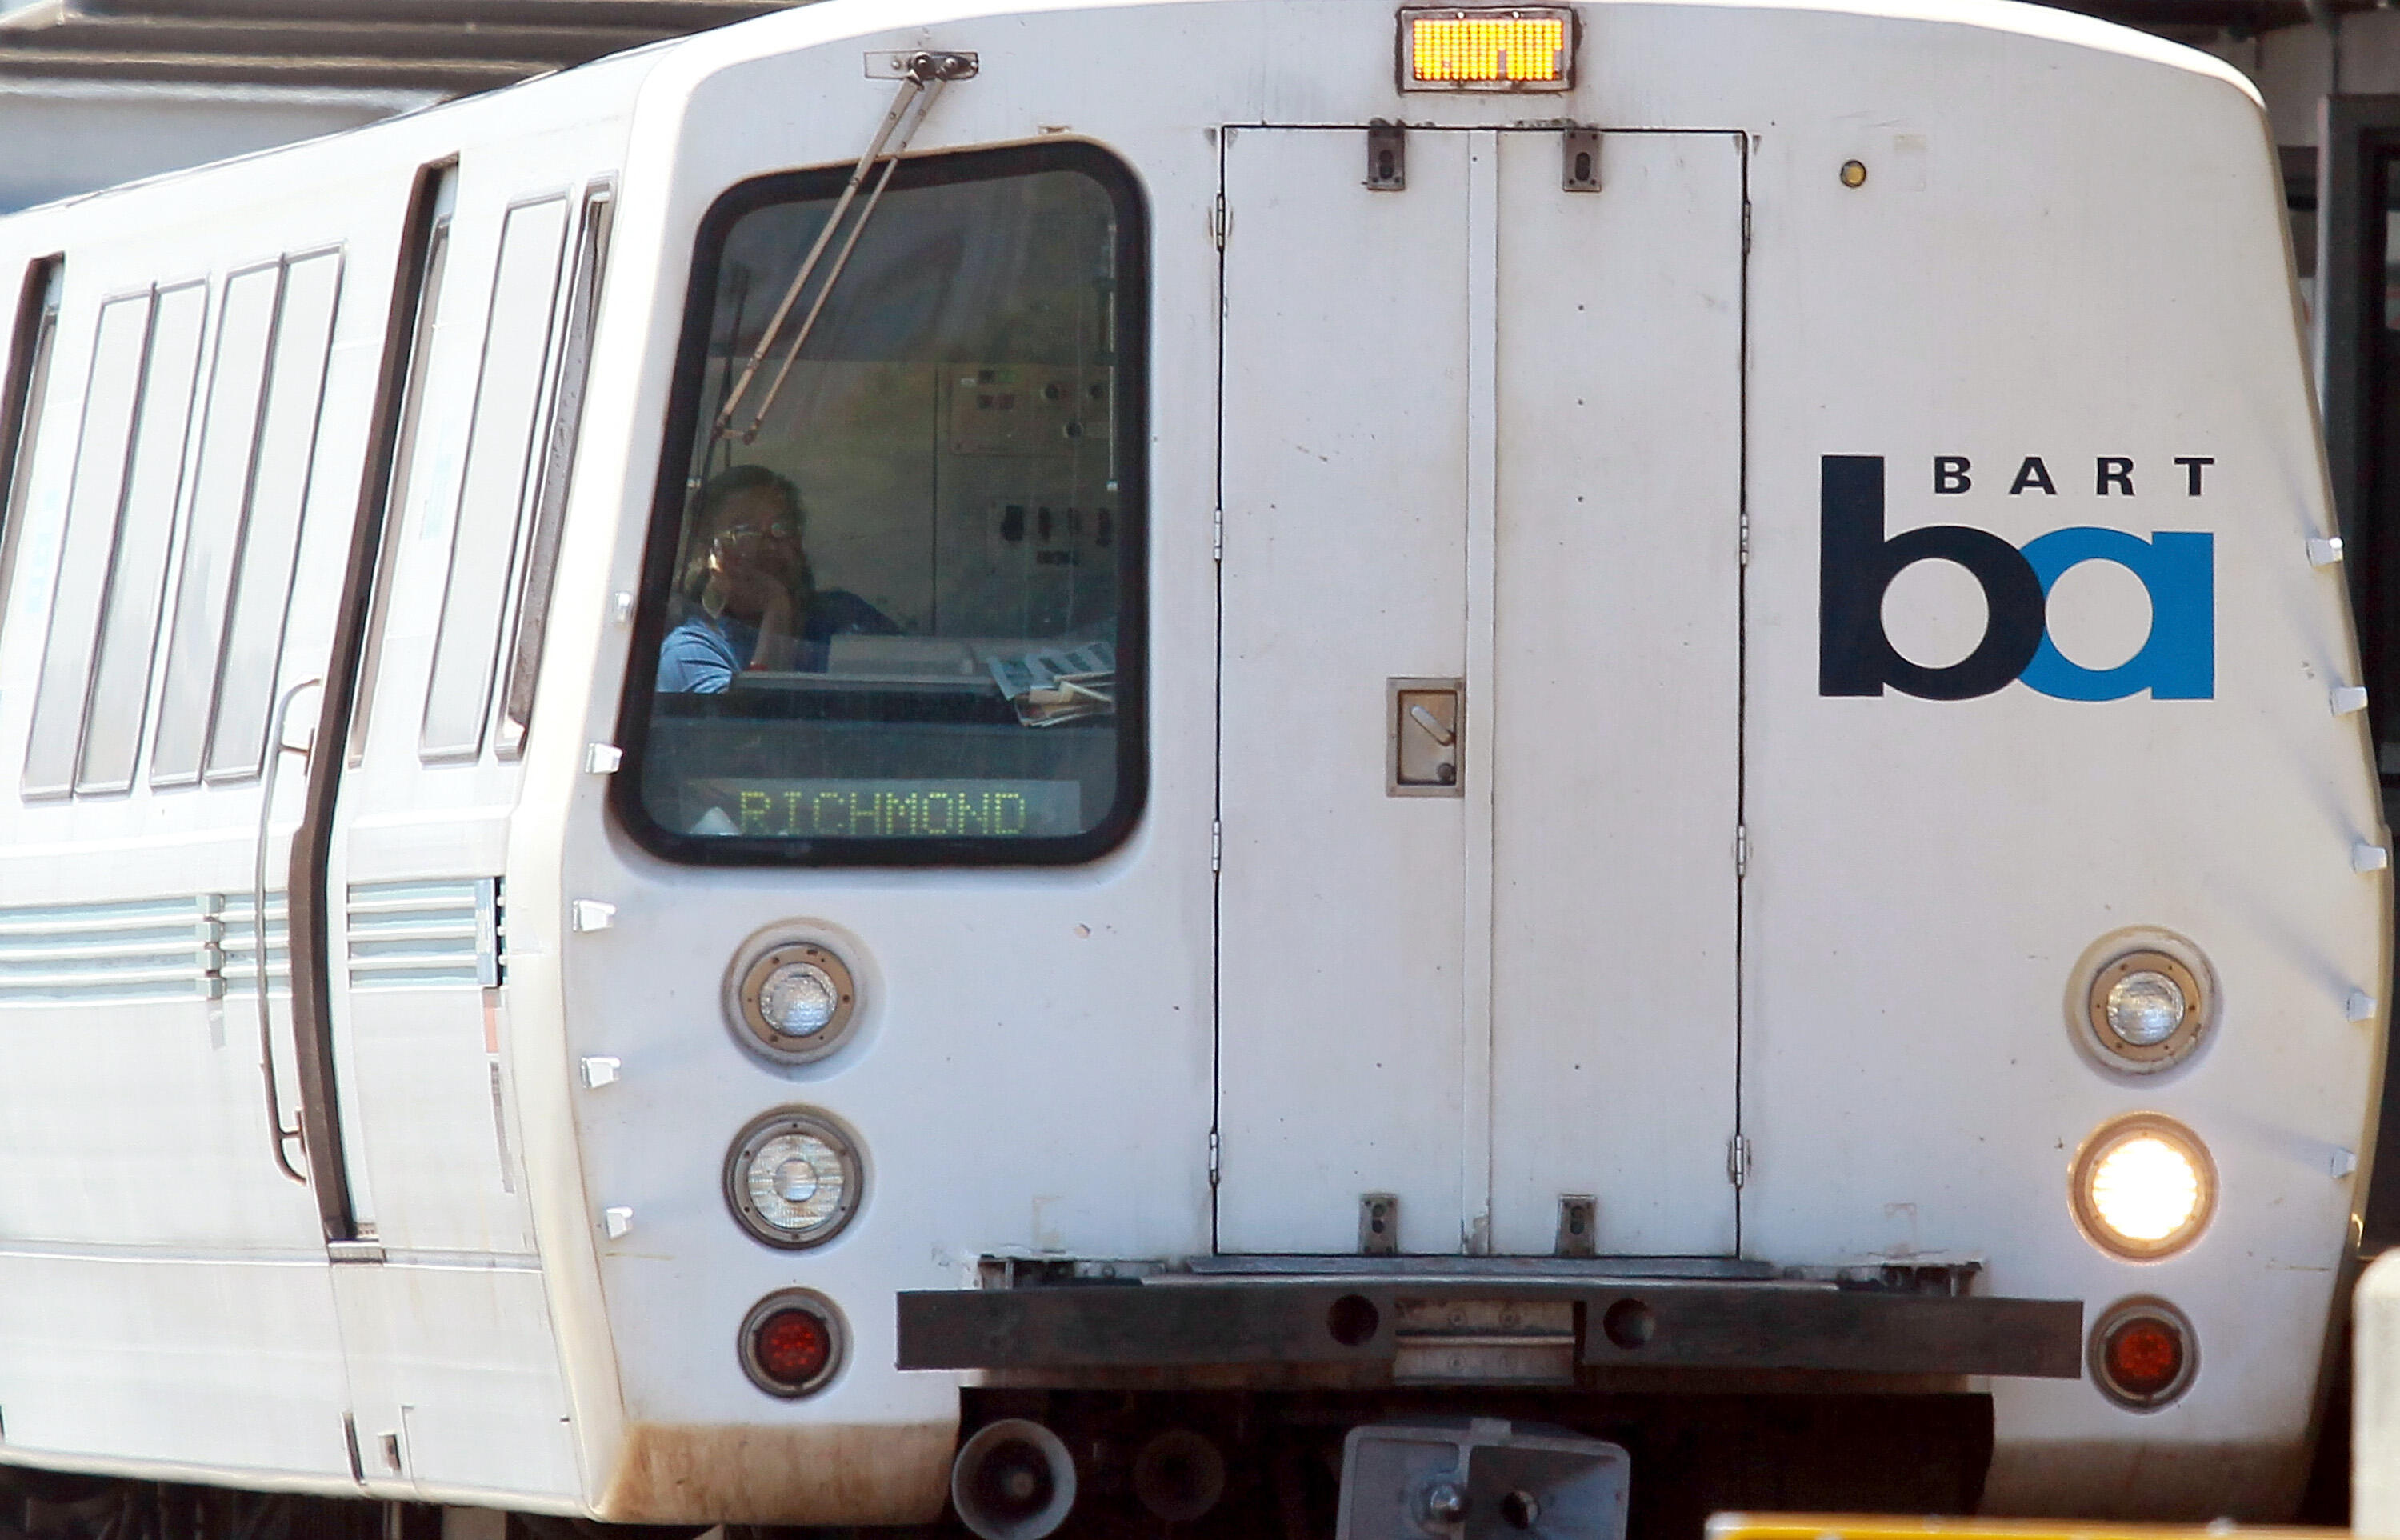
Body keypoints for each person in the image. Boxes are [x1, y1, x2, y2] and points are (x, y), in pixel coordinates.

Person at [656, 465, 899, 692]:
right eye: (745, 531)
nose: (770, 545)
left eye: (782, 528)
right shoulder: (691, 651)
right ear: (708, 552)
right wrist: (777, 610)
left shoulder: (845, 615)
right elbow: (753, 729)